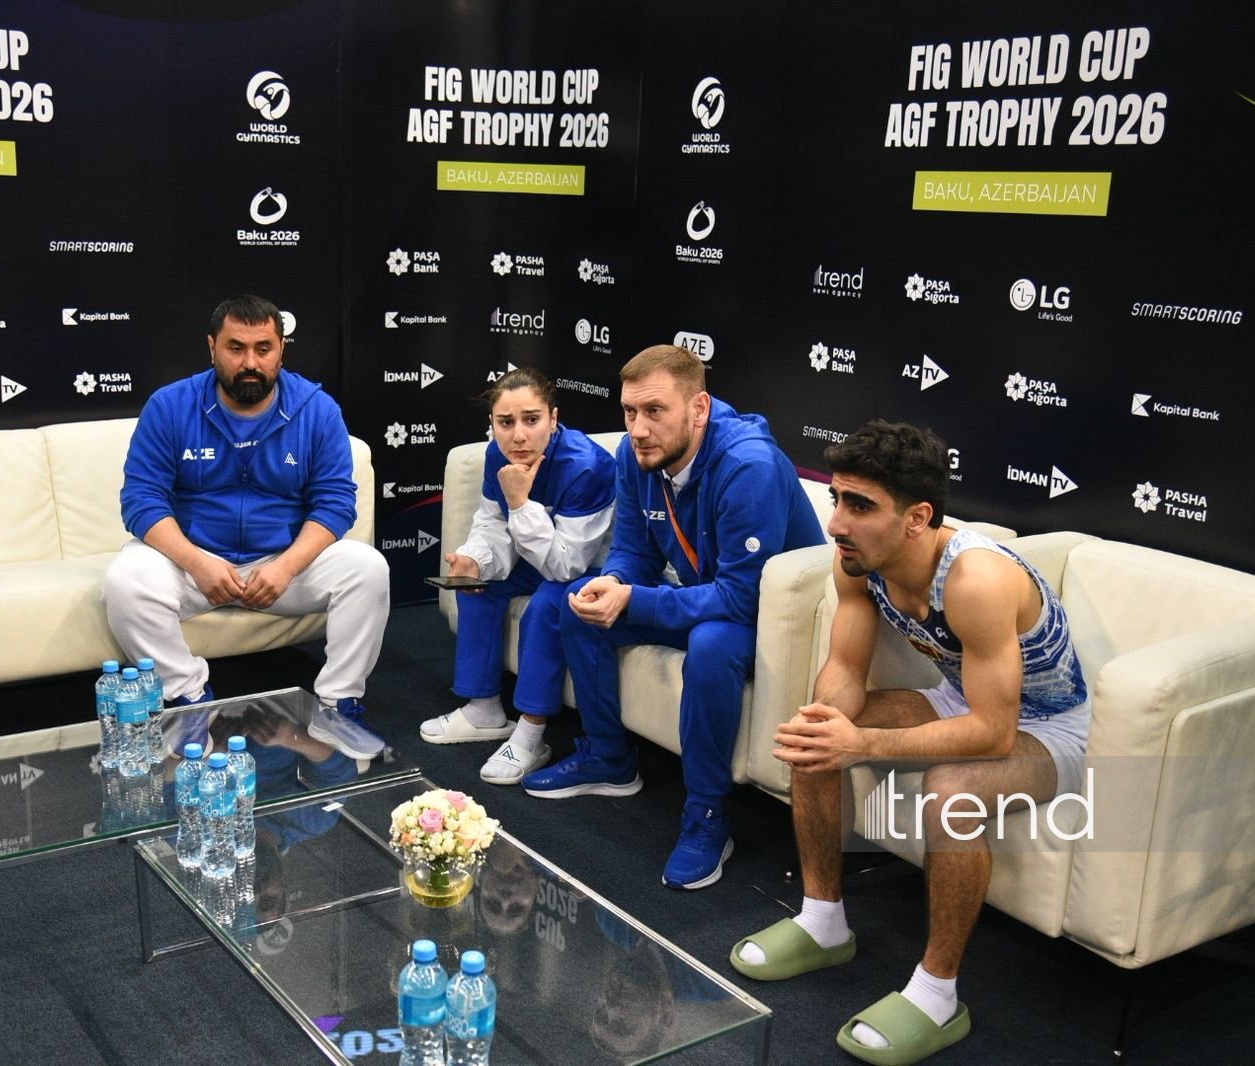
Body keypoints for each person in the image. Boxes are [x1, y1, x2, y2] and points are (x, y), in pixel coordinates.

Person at [729, 420, 1090, 1065]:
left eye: (860, 506)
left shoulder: (976, 580)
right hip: (962, 700)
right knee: (818, 733)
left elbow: (995, 731)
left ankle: (938, 993)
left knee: (948, 792)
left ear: (918, 517)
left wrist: (860, 740)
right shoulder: (858, 562)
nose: (837, 523)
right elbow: (844, 667)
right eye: (837, 499)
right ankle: (823, 921)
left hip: (1052, 728)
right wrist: (834, 730)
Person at [521, 344, 824, 890]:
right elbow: (636, 552)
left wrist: (635, 600)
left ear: (699, 408)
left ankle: (707, 815)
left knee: (710, 644)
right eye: (630, 412)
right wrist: (613, 583)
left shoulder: (747, 466)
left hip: (778, 624)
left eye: (654, 411)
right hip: (717, 596)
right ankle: (609, 758)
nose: (638, 428)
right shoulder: (635, 455)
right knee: (580, 607)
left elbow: (742, 598)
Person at [103, 295, 391, 761]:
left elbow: (337, 504)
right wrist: (197, 562)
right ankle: (188, 697)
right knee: (124, 581)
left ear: (281, 350)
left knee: (368, 567)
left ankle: (339, 702)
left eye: (263, 348)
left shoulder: (318, 410)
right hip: (196, 562)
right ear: (212, 347)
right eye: (236, 348)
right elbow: (140, 500)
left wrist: (286, 566)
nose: (250, 362)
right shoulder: (170, 405)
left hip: (283, 566)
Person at [418, 368, 616, 784]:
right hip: (541, 555)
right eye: (505, 423)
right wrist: (475, 560)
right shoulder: (497, 454)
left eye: (532, 419)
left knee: (548, 602)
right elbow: (492, 524)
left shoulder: (587, 466)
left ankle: (531, 733)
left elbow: (566, 566)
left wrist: (520, 502)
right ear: (493, 424)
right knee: (476, 586)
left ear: (554, 418)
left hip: (594, 568)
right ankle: (484, 709)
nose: (518, 435)